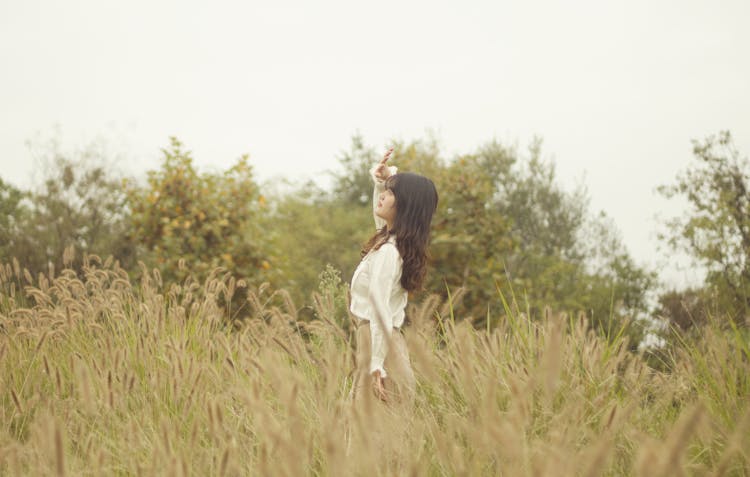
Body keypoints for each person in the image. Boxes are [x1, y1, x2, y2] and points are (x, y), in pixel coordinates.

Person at [350, 147, 439, 404]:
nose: (383, 197)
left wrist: (377, 364)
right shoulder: (389, 242)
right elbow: (382, 224)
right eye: (386, 192)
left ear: (405, 205)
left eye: (391, 193)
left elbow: (379, 309)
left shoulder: (389, 252)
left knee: (373, 438)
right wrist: (382, 181)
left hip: (383, 352)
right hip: (378, 347)